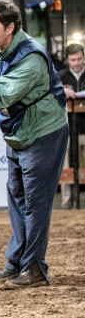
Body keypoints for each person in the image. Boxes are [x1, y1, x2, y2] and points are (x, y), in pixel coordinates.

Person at [0, 0, 68, 289]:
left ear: (10, 27)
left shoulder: (31, 57)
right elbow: (6, 94)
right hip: (18, 131)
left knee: (35, 203)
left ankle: (34, 269)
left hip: (43, 133)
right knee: (17, 198)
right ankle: (16, 262)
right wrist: (0, 114)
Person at [58, 43, 85, 209]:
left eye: (80, 59)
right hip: (65, 129)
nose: (77, 62)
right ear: (67, 60)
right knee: (65, 165)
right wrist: (61, 90)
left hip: (84, 128)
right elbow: (48, 90)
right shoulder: (60, 76)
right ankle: (66, 203)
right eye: (73, 59)